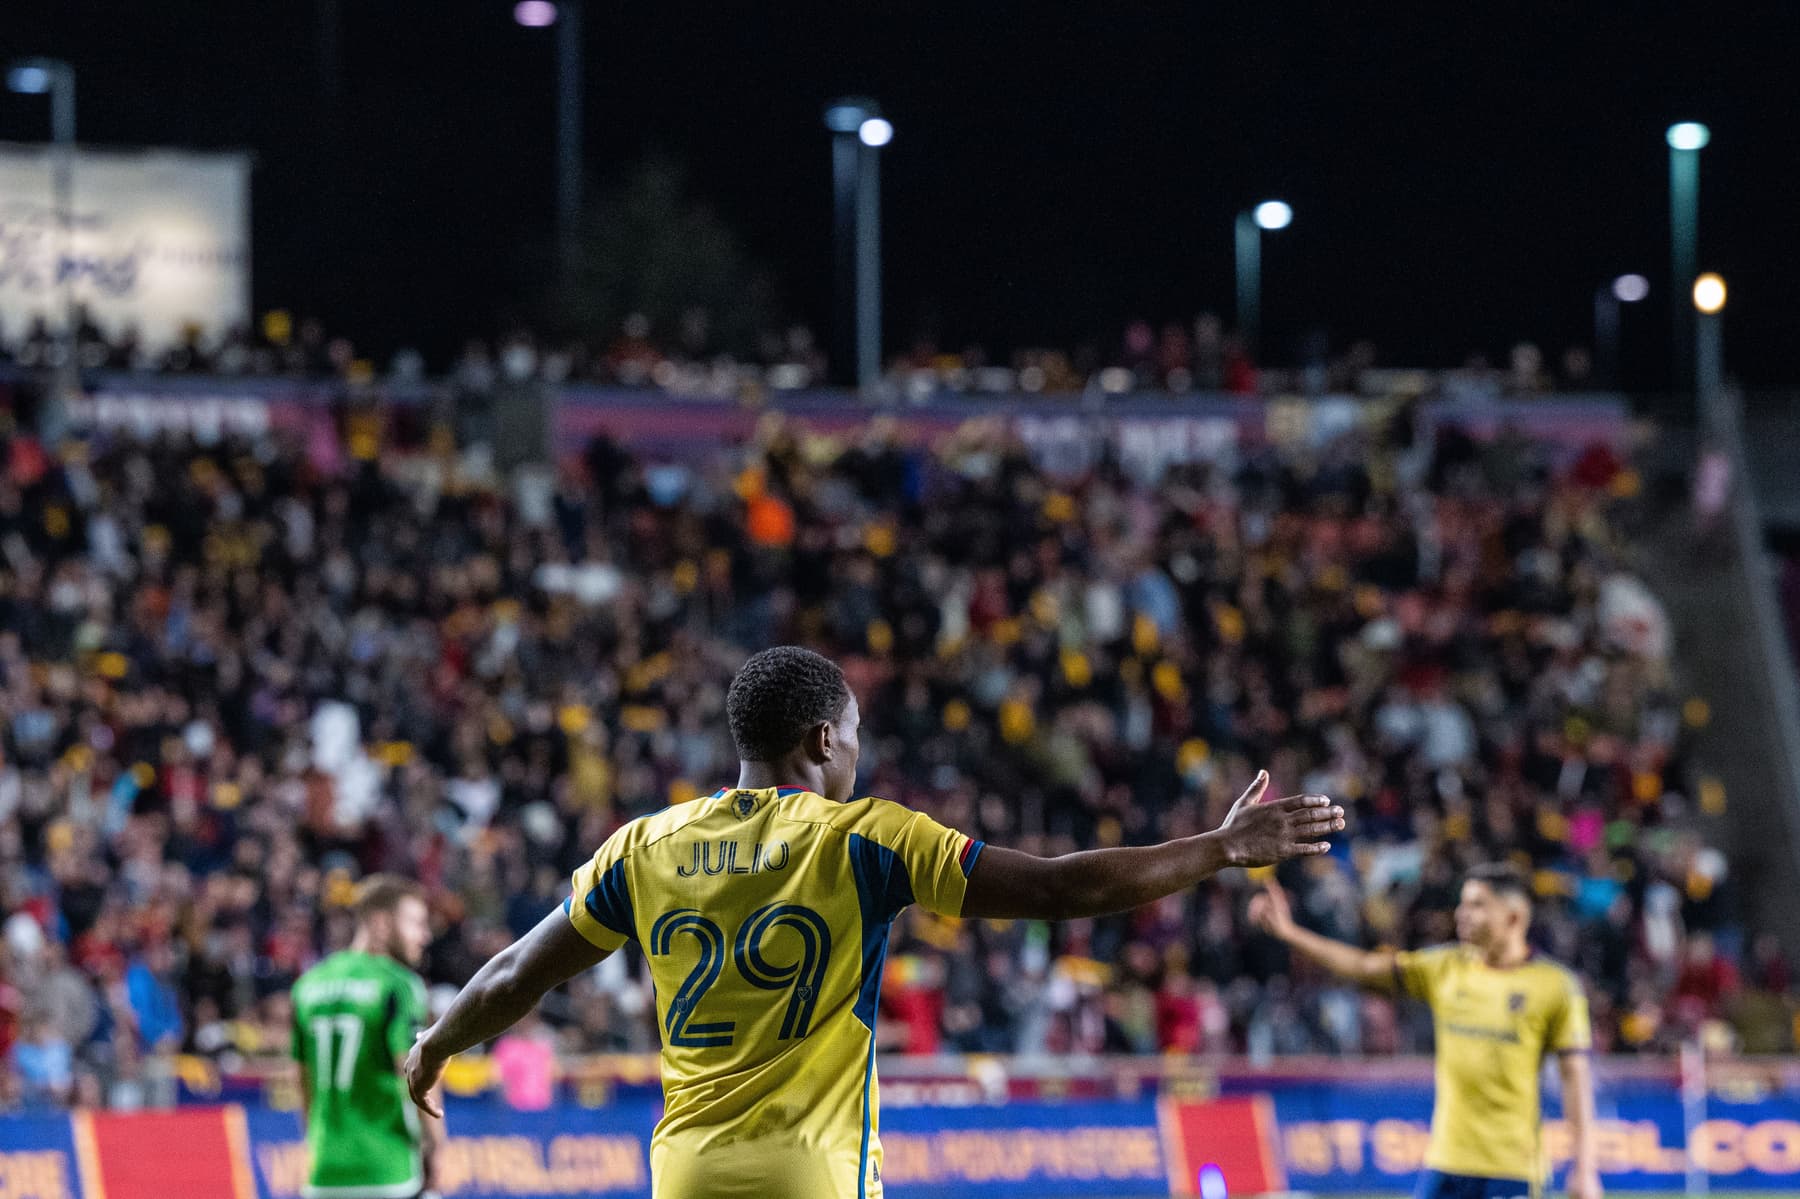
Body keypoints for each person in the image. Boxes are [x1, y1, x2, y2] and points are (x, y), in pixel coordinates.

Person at [403, 645, 1345, 1198]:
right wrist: (1218, 847)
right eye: (852, 735)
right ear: (823, 740)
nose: (856, 753)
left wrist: (436, 1048)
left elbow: (513, 977)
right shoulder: (868, 839)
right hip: (813, 1174)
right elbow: (1059, 891)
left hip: (685, 1173)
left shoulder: (644, 845)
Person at [1249, 863, 1601, 1199]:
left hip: (1513, 1166)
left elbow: (1575, 1078)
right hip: (1446, 1160)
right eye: (1462, 903)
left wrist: (1584, 1168)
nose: (1461, 913)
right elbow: (1363, 967)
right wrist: (1289, 932)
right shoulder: (1444, 968)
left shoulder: (1555, 986)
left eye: (1477, 905)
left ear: (1513, 917)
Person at [293, 875, 444, 1199]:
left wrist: (318, 1145)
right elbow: (414, 1072)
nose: (425, 935)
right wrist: (435, 1147)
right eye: (415, 923)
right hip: (388, 1169)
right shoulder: (399, 985)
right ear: (379, 923)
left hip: (323, 1174)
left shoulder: (307, 986)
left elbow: (302, 1081)